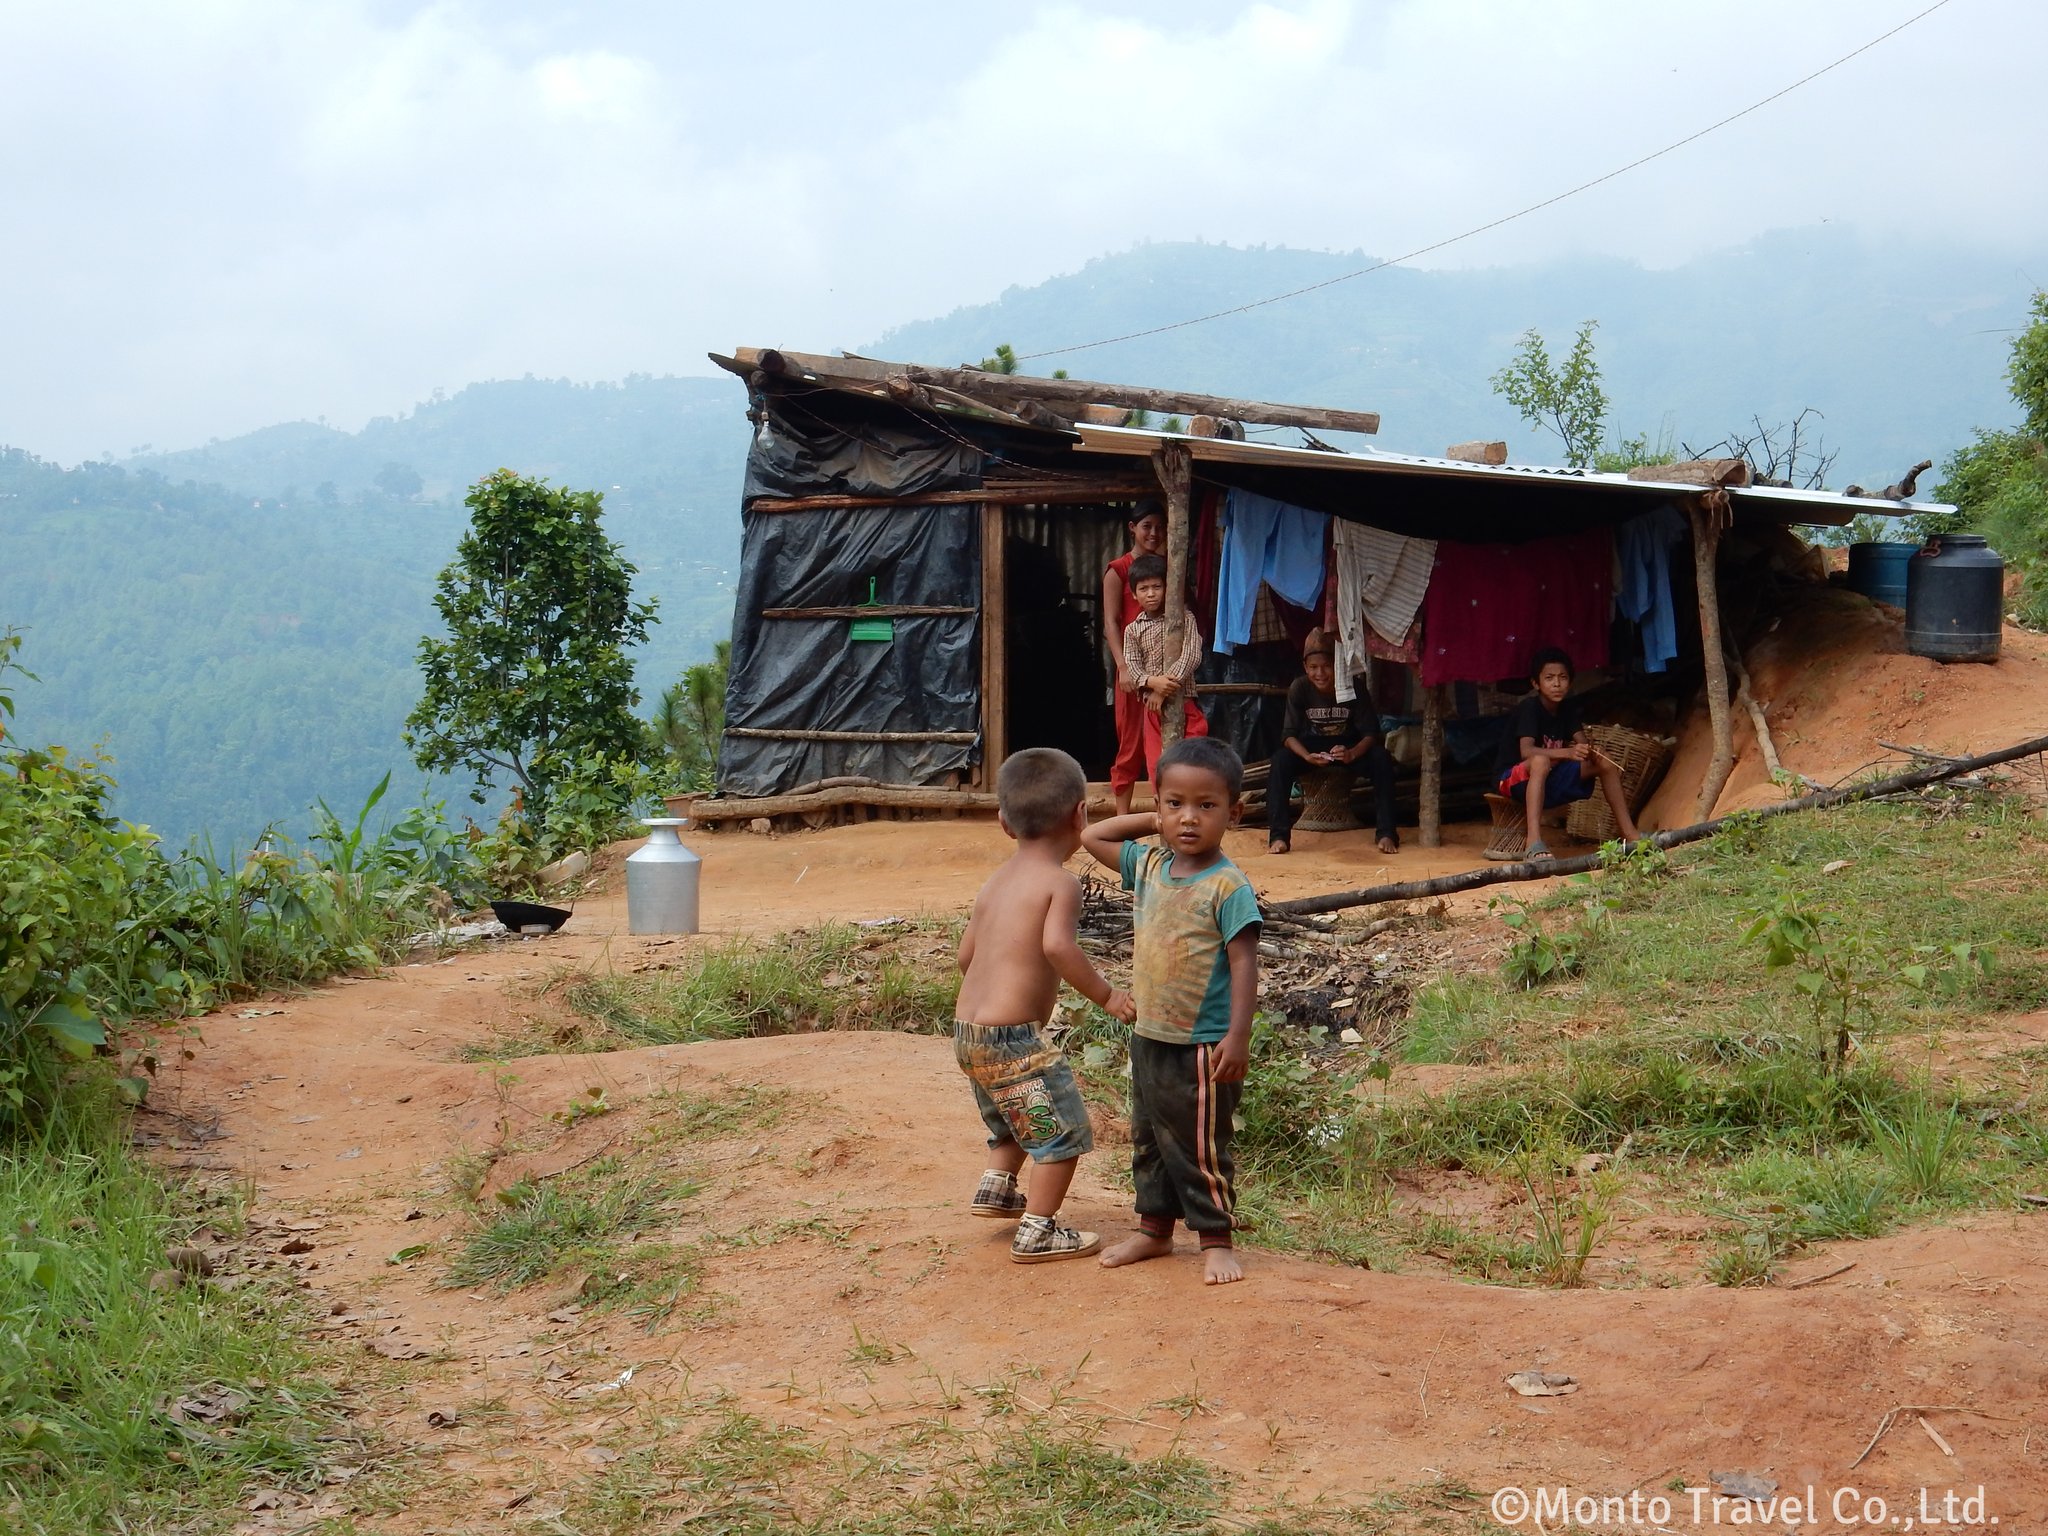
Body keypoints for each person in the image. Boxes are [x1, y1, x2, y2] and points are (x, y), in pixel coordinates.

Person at [1081, 737, 1261, 1285]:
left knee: (1201, 1143)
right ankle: (1155, 1230)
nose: (1188, 818)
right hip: (1151, 1034)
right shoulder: (1151, 865)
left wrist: (1238, 1037)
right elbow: (1092, 834)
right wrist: (1151, 820)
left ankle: (1216, 1238)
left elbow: (1245, 966)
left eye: (1207, 806)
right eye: (1175, 804)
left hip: (1203, 1044)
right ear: (1157, 806)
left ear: (1235, 812)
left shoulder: (1228, 886)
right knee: (1151, 1137)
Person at [956, 747, 1137, 1263]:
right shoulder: (1061, 882)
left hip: (968, 1034)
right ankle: (1038, 1229)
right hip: (1011, 1040)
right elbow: (1058, 948)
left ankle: (998, 1184)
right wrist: (1108, 995)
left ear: (1003, 824)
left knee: (1013, 1114)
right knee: (1061, 1128)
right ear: (1080, 815)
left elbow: (965, 956)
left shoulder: (995, 882)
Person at [1495, 646, 1640, 859]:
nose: (1556, 684)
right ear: (1536, 684)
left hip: (1547, 778)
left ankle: (1630, 835)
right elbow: (1526, 752)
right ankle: (1533, 842)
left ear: (1570, 682)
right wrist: (1568, 752)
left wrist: (1591, 751)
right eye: (1549, 678)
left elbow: (1581, 742)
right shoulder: (1530, 708)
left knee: (1604, 763)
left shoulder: (1566, 709)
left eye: (1562, 678)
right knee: (1540, 761)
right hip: (1512, 780)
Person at [1268, 634, 1400, 856]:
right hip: (1312, 747)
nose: (1320, 674)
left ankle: (1387, 832)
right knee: (1280, 761)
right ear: (1305, 667)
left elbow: (1370, 733)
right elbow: (1288, 736)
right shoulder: (1300, 688)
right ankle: (1279, 836)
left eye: (1327, 666)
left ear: (1337, 665)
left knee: (1381, 758)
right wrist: (1307, 756)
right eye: (1313, 667)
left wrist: (1352, 754)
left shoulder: (1353, 687)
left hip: (1347, 746)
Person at [1120, 552, 1209, 794]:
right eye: (1144, 588)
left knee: (1195, 758)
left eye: (1157, 586)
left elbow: (1192, 655)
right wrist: (1152, 683)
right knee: (1157, 764)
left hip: (1185, 703)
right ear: (1134, 593)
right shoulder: (1132, 630)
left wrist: (1165, 688)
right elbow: (1133, 665)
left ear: (1167, 588)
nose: (1151, 593)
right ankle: (1163, 811)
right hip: (1151, 710)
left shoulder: (1184, 618)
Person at [1103, 503, 1166, 816]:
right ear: (1132, 528)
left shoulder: (1168, 568)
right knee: (1129, 744)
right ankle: (1121, 819)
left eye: (1159, 527)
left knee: (1168, 742)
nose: (1153, 533)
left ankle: (1167, 812)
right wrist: (1123, 668)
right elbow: (1111, 623)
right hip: (1132, 671)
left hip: (1165, 674)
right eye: (1146, 526)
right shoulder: (1119, 570)